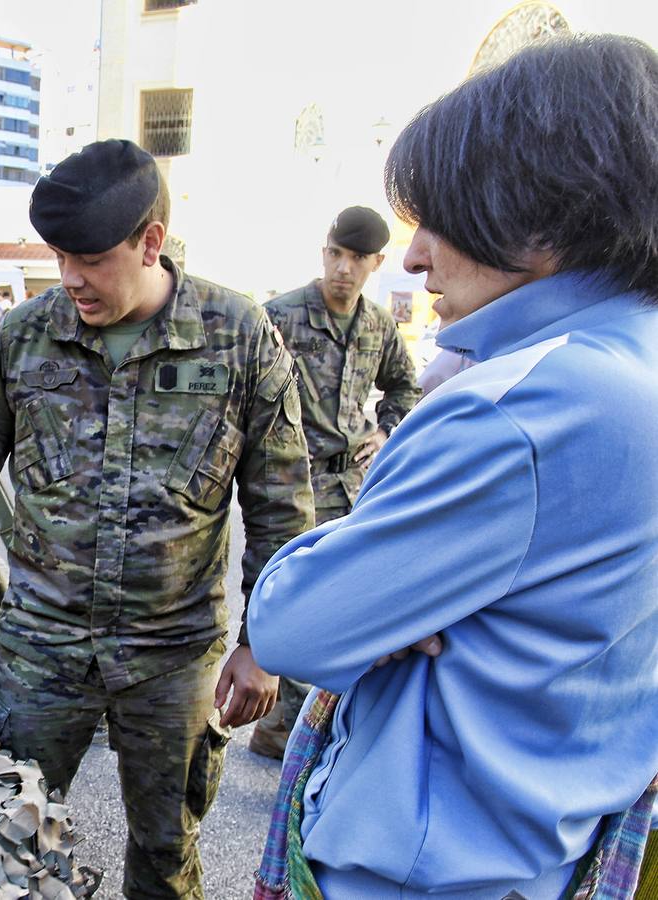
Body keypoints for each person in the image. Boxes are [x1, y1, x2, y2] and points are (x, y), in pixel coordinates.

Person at [0, 139, 314, 898]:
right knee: (2, 841)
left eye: (88, 258)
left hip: (173, 657)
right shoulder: (26, 338)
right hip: (41, 651)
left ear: (150, 241)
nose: (70, 279)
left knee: (167, 858)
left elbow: (282, 507)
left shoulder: (239, 335)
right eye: (58, 256)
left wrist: (264, 645)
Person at [248, 34, 658, 898]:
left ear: (543, 214)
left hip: (423, 870)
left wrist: (347, 574)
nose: (413, 257)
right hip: (542, 853)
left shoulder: (523, 406)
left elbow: (296, 626)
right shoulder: (633, 368)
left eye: (440, 217)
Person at [250, 206, 419, 758]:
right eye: (334, 254)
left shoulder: (377, 326)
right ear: (324, 253)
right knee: (296, 603)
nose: (343, 268)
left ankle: (297, 728)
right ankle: (281, 726)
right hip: (292, 482)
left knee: (344, 606)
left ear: (376, 263)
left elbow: (404, 386)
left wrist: (387, 431)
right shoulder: (280, 316)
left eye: (356, 258)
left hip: (353, 485)